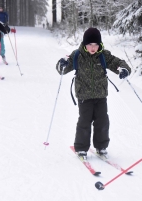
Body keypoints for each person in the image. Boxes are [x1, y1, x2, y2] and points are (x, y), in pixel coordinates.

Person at [56, 27, 131, 160]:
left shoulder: (103, 55)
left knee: (102, 121)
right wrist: (62, 64)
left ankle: (101, 147)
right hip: (84, 96)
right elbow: (63, 66)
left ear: (99, 45)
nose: (93, 48)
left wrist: (123, 69)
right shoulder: (77, 55)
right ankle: (81, 148)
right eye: (90, 44)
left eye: (96, 45)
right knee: (84, 121)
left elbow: (117, 63)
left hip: (101, 95)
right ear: (85, 44)